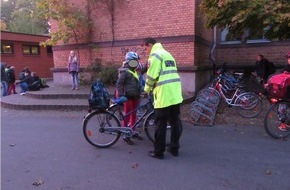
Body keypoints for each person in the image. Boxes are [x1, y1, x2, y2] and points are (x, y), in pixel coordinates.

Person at [142, 38, 183, 159]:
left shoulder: (155, 55)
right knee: (175, 122)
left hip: (163, 95)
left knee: (161, 123)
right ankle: (174, 149)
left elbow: (151, 76)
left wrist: (146, 90)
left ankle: (158, 152)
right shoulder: (168, 54)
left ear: (150, 45)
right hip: (175, 94)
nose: (146, 52)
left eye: (145, 49)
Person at [115, 52, 143, 145]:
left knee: (134, 115)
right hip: (128, 97)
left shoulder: (134, 71)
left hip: (135, 96)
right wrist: (122, 95)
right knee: (127, 115)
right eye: (135, 61)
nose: (136, 63)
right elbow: (119, 84)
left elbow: (137, 83)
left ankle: (132, 131)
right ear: (129, 61)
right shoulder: (125, 72)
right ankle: (125, 134)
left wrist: (142, 90)